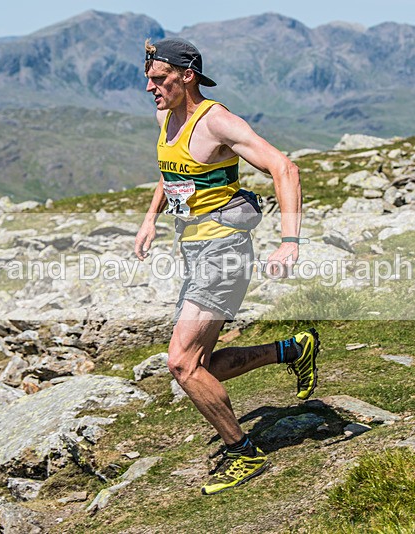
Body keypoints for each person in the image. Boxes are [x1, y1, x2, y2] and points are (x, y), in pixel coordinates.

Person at [134, 37, 320, 495]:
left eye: (159, 80)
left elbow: (285, 168)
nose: (151, 89)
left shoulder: (216, 121)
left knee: (181, 364)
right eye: (148, 80)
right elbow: (171, 172)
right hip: (194, 252)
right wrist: (149, 218)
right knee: (202, 367)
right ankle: (293, 350)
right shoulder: (165, 115)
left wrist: (289, 241)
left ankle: (243, 452)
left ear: (186, 76)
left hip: (224, 253)